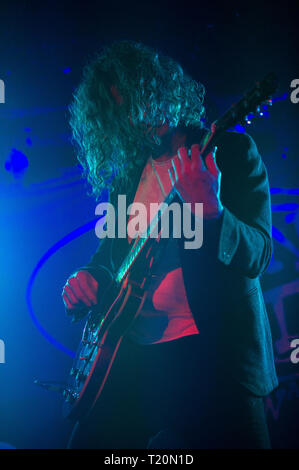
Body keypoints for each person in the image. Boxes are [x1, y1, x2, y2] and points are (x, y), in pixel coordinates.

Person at [62, 40, 278, 449]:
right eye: (124, 111)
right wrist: (87, 277)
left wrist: (213, 212)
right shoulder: (127, 177)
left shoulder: (231, 152)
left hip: (213, 355)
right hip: (134, 350)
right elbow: (110, 254)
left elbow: (260, 253)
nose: (140, 117)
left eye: (142, 99)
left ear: (163, 89)